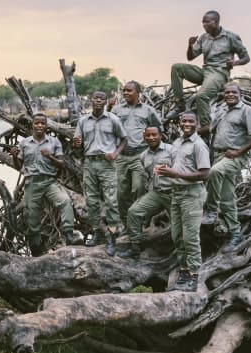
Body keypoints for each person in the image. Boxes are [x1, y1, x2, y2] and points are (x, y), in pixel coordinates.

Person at [200, 84, 251, 252]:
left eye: (234, 92)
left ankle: (211, 210)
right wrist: (192, 131)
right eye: (227, 92)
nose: (230, 94)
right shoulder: (222, 111)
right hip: (219, 155)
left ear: (240, 94)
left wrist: (238, 152)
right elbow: (211, 128)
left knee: (214, 172)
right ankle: (236, 234)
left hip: (235, 156)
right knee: (227, 197)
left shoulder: (247, 111)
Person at [10, 113, 81, 254]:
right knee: (31, 215)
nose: (40, 126)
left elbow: (62, 164)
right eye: (37, 123)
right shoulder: (24, 143)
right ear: (32, 125)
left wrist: (50, 157)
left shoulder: (54, 142)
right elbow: (19, 166)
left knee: (65, 201)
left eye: (43, 123)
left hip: (49, 182)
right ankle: (36, 248)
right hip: (32, 183)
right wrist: (13, 156)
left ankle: (69, 234)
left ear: (46, 126)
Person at [156, 111, 210, 292]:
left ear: (197, 123)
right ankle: (184, 271)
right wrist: (166, 170)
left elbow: (204, 174)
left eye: (190, 121)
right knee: (177, 236)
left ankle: (194, 275)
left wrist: (175, 174)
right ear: (179, 123)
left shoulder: (199, 145)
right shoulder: (177, 143)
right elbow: (179, 166)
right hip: (177, 194)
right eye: (184, 121)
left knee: (190, 237)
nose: (186, 123)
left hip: (192, 194)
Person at [167, 11, 250, 127]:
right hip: (205, 71)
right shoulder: (204, 37)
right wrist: (190, 45)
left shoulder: (231, 37)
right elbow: (190, 57)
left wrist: (234, 63)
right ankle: (180, 105)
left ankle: (205, 128)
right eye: (203, 22)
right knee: (177, 68)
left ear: (215, 22)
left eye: (207, 22)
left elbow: (246, 58)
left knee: (202, 96)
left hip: (219, 73)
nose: (204, 25)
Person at [72, 91, 127, 256]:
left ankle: (112, 236)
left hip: (107, 164)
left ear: (105, 102)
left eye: (101, 99)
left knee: (111, 201)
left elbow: (124, 139)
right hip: (89, 163)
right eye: (95, 98)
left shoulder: (113, 119)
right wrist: (76, 143)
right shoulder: (83, 121)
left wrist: (116, 154)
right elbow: (77, 145)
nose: (97, 100)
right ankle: (97, 231)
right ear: (91, 100)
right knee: (91, 201)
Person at [109, 81, 161, 228]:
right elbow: (108, 128)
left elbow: (157, 129)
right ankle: (127, 225)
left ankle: (139, 222)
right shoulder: (117, 110)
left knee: (139, 188)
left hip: (140, 155)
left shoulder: (148, 110)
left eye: (129, 91)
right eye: (124, 91)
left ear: (138, 93)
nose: (125, 93)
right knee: (120, 193)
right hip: (121, 156)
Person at [118, 126, 174, 258]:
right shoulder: (144, 155)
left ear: (161, 135)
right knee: (133, 211)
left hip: (174, 193)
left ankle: (180, 253)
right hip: (157, 193)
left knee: (179, 225)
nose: (151, 138)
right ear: (144, 138)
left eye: (154, 135)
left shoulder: (172, 150)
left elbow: (182, 170)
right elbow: (147, 176)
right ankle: (135, 247)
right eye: (148, 136)